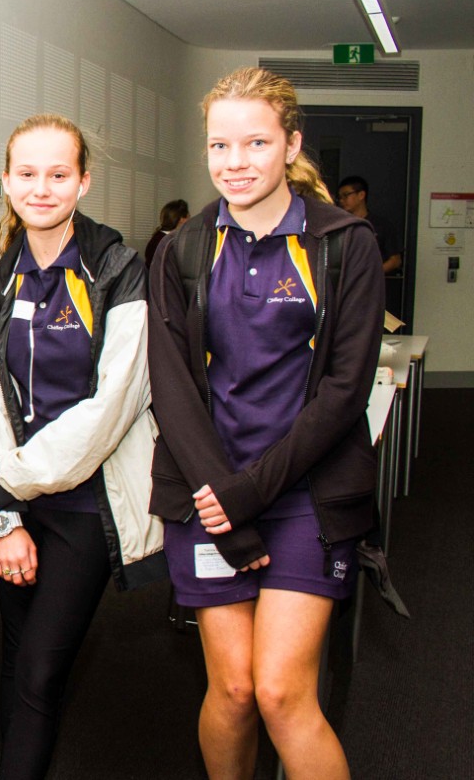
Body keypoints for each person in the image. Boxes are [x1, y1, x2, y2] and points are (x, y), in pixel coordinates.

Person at [148, 68, 383, 780]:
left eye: (255, 142)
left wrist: (252, 493)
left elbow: (344, 392)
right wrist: (226, 500)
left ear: (291, 144)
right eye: (220, 145)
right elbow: (172, 388)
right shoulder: (182, 249)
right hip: (210, 493)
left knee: (283, 691)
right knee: (237, 689)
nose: (235, 162)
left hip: (304, 494)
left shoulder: (345, 244)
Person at [0, 114, 164, 779]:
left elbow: (115, 405)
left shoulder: (117, 268)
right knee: (17, 660)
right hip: (14, 503)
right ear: (6, 182)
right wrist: (5, 518)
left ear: (84, 181)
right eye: (26, 173)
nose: (41, 187)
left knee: (42, 669)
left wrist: (9, 482)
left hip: (85, 502)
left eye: (58, 173)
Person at [336, 175, 402, 274]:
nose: (341, 200)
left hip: (373, 283)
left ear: (361, 195)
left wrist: (371, 275)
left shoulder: (382, 225)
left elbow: (395, 260)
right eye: (340, 197)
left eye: (346, 195)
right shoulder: (339, 225)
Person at [144, 198, 190, 265]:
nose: (190, 220)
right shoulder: (168, 243)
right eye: (189, 216)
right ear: (181, 219)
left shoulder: (158, 237)